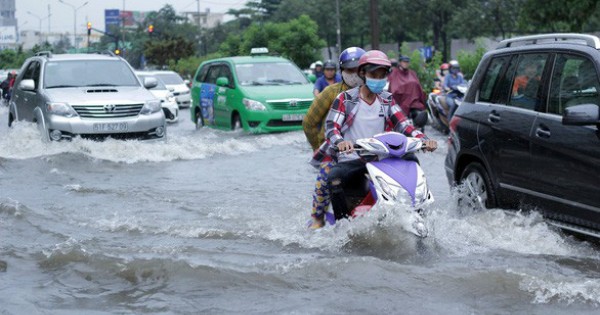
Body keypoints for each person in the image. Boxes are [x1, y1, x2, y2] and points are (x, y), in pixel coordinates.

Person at [309, 50, 437, 227]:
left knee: (412, 160)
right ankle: (342, 227)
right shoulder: (345, 99)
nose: (378, 79)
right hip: (353, 158)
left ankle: (420, 214)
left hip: (382, 157)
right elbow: (332, 128)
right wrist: (341, 143)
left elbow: (404, 125)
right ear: (363, 74)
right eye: (373, 74)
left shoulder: (387, 100)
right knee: (334, 178)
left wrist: (424, 139)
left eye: (382, 75)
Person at [303, 47, 366, 229]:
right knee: (325, 178)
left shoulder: (375, 93)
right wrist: (319, 146)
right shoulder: (331, 93)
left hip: (368, 150)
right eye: (349, 70)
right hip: (336, 152)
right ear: (342, 71)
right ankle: (317, 219)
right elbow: (309, 123)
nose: (354, 74)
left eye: (358, 70)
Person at [387, 55, 428, 128]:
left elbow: (418, 86)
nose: (405, 64)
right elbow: (393, 87)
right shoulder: (395, 73)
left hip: (414, 101)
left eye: (407, 62)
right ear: (400, 62)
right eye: (404, 62)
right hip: (400, 100)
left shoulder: (412, 73)